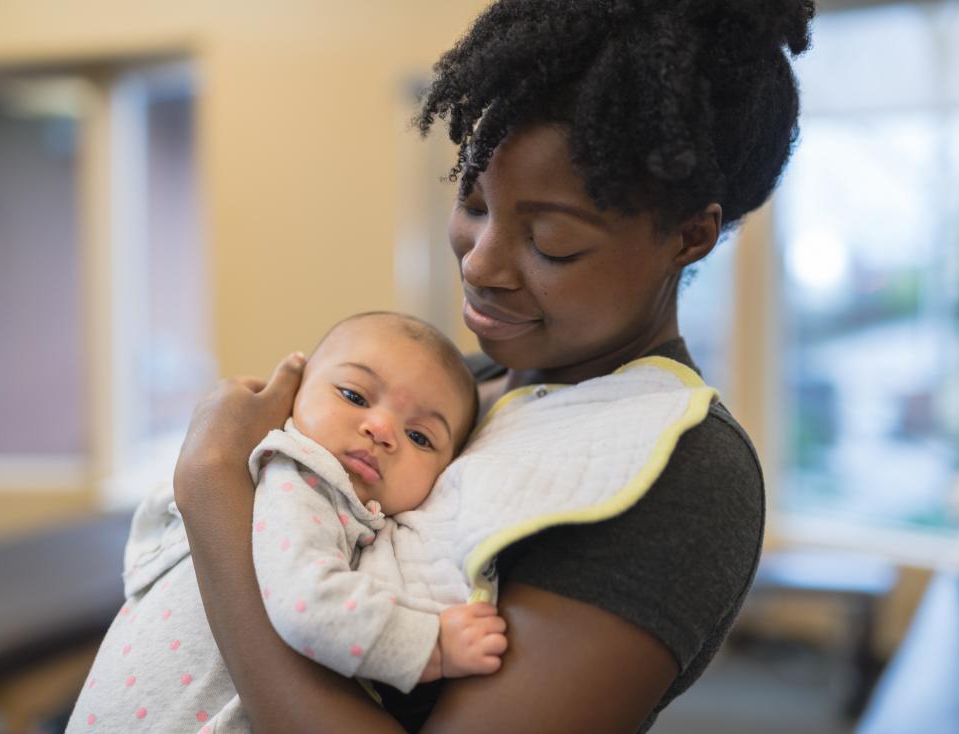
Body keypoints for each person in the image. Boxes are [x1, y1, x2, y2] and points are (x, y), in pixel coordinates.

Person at [173, 1, 815, 732]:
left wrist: (211, 486)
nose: (480, 263)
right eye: (473, 202)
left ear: (689, 236)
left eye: (552, 242)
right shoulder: (462, 391)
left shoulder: (679, 469)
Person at [67, 312, 505, 733]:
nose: (381, 429)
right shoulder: (303, 477)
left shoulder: (348, 505)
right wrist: (429, 644)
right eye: (354, 396)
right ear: (294, 391)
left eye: (420, 437)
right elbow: (307, 603)